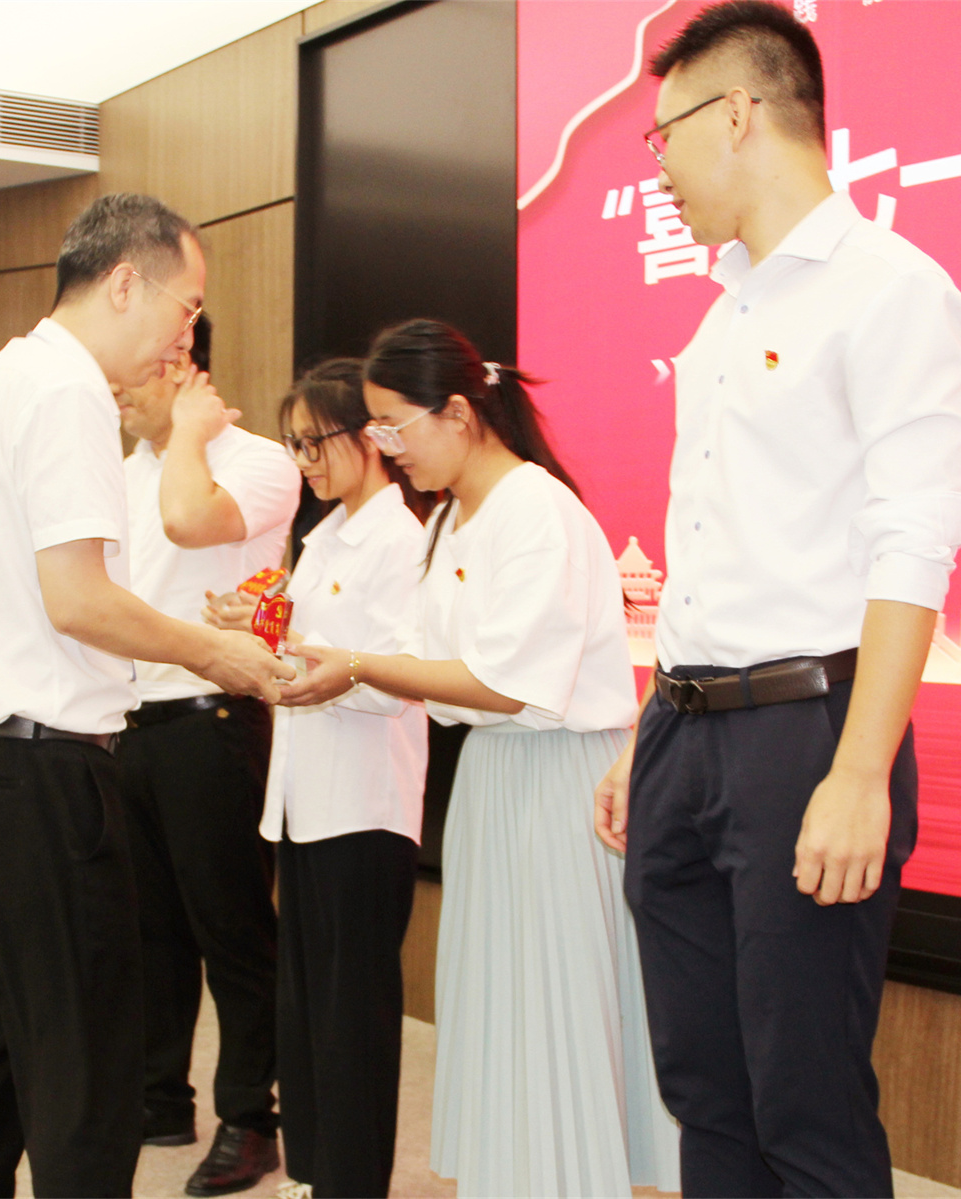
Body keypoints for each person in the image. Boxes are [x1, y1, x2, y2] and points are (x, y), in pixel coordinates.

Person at [593, 5, 961, 1195]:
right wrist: (647, 735)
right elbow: (714, 555)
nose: (656, 167)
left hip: (806, 735)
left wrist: (860, 771)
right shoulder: (724, 315)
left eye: (661, 136)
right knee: (704, 1090)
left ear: (738, 115)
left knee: (805, 1103)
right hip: (685, 730)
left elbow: (915, 541)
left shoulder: (890, 290)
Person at [0, 193, 294, 1198]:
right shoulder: (67, 392)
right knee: (87, 1071)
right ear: (126, 282)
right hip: (38, 770)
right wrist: (219, 655)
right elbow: (78, 598)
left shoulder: (3, 376)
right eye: (187, 305)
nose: (187, 336)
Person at [284, 320, 680, 1196]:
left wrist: (355, 664)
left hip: (560, 777)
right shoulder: (452, 519)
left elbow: (506, 683)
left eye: (395, 426)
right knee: (501, 1008)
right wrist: (333, 658)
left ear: (459, 412)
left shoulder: (537, 509)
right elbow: (423, 656)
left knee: (554, 1012)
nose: (389, 448)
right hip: (494, 782)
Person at [204, 358, 429, 1199]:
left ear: (369, 437)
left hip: (365, 804)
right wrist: (259, 629)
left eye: (314, 442)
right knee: (304, 1006)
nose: (303, 461)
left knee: (353, 1016)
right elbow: (304, 647)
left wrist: (301, 648)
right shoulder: (324, 535)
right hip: (303, 801)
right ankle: (313, 1174)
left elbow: (400, 674)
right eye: (292, 444)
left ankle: (352, 1182)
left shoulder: (402, 540)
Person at [114, 312, 301, 1196]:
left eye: (131, 370)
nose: (115, 388)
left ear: (180, 363)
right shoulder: (121, 471)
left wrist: (190, 431)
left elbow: (190, 522)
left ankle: (250, 1117)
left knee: (232, 927)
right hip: (129, 721)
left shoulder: (255, 460)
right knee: (149, 929)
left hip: (214, 717)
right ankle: (160, 1096)